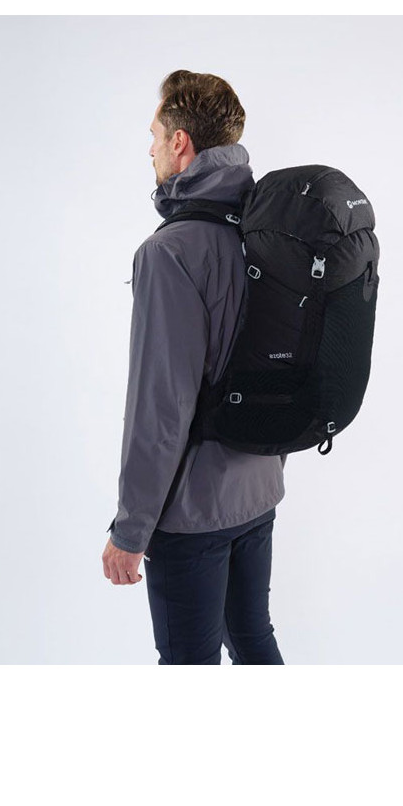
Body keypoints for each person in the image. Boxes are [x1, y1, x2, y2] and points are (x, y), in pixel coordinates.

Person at [101, 70, 287, 664]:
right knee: (253, 641)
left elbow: (160, 406)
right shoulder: (264, 234)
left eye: (154, 135)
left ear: (180, 142)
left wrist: (131, 530)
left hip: (192, 511)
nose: (150, 149)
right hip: (259, 488)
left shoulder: (168, 252)